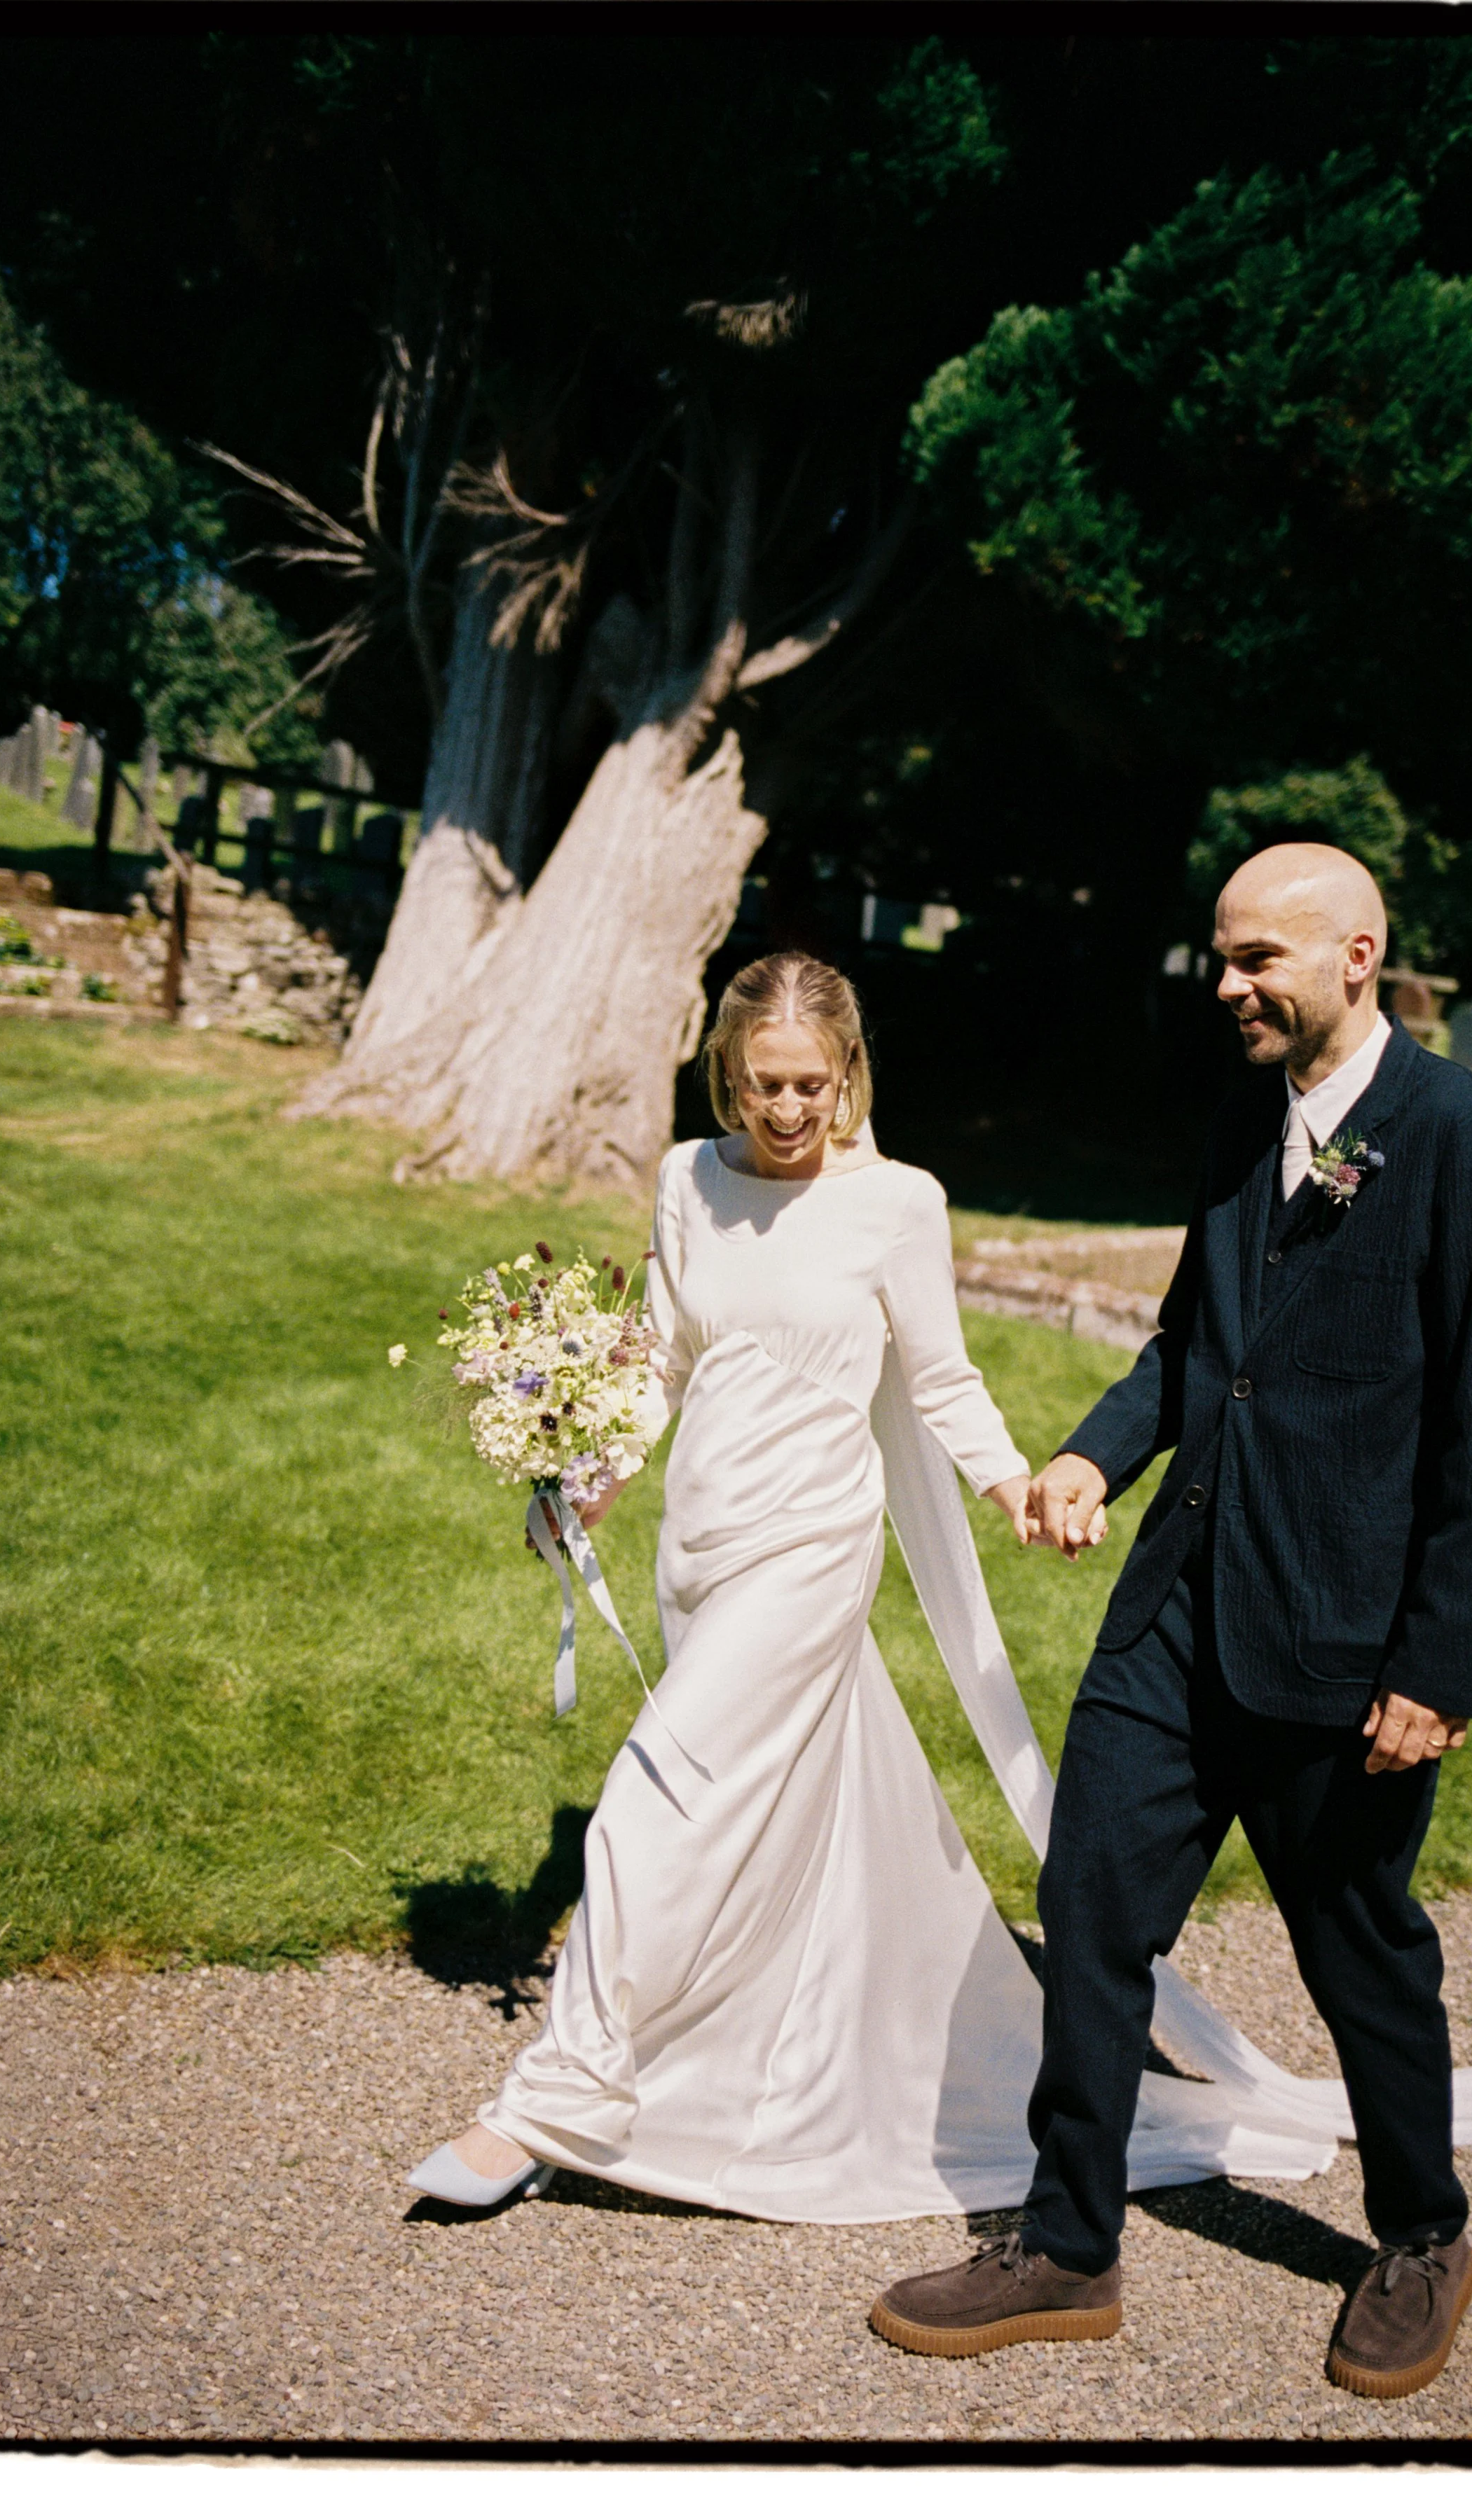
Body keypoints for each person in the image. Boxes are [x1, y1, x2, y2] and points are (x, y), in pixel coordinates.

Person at [872, 844, 1472, 2400]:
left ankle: (1421, 2238)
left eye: (1259, 960)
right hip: (1173, 1614)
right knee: (1093, 1917)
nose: (1228, 986)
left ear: (1356, 956)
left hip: (1342, 1643)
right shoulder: (1243, 1120)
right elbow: (1195, 1345)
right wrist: (1088, 1454)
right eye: (1221, 957)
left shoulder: (1461, 1142)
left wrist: (1435, 1666)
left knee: (1358, 1950)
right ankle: (1063, 2245)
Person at [405, 952, 1064, 2222]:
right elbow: (663, 1355)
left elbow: (941, 1383)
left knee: (644, 1813)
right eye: (766, 1084)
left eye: (814, 1085)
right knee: (759, 1831)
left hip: (813, 1549)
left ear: (850, 1073)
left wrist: (1014, 1487)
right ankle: (760, 2069)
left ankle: (557, 2100)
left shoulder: (901, 1203)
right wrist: (592, 1471)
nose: (790, 1110)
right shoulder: (685, 1181)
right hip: (698, 1545)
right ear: (727, 1072)